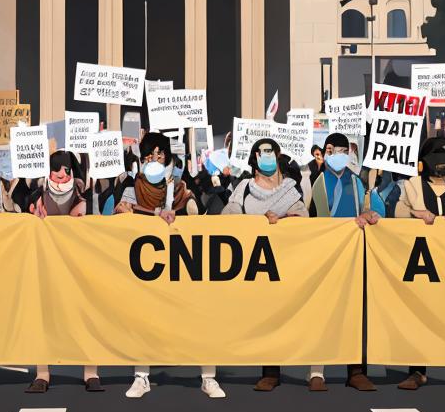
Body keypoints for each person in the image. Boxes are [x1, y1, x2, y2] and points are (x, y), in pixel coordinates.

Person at [117, 132, 220, 398]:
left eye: (160, 154)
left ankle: (208, 377)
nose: (155, 159)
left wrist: (186, 209)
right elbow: (121, 213)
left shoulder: (180, 188)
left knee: (199, 319)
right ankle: (141, 376)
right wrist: (126, 211)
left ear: (168, 157)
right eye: (149, 155)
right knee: (144, 320)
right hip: (146, 266)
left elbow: (197, 213)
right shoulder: (132, 187)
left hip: (182, 264)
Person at [393, 137, 445, 395]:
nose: (440, 163)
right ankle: (418, 371)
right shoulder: (412, 185)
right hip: (422, 263)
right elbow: (397, 214)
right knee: (420, 315)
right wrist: (415, 215)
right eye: (435, 157)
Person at [226, 139, 307, 392]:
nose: (266, 157)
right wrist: (257, 223)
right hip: (252, 262)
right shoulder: (244, 188)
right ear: (254, 158)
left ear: (278, 155)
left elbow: (303, 216)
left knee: (281, 315)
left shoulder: (292, 190)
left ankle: (277, 370)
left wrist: (282, 219)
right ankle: (268, 370)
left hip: (283, 261)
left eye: (270, 152)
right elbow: (228, 217)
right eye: (261, 153)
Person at [301, 132, 377, 392]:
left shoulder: (357, 183)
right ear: (327, 151)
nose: (341, 155)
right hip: (324, 255)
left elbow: (368, 210)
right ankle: (316, 371)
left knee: (354, 313)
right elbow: (309, 216)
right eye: (335, 150)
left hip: (353, 255)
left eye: (346, 150)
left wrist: (369, 214)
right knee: (321, 313)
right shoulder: (314, 182)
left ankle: (356, 371)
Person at [25, 151, 103, 392]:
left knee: (86, 316)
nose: (60, 175)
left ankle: (91, 371)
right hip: (45, 265)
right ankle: (42, 373)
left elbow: (98, 225)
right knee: (43, 316)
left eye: (65, 170)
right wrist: (33, 215)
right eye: (55, 170)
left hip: (79, 266)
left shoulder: (86, 194)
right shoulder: (38, 196)